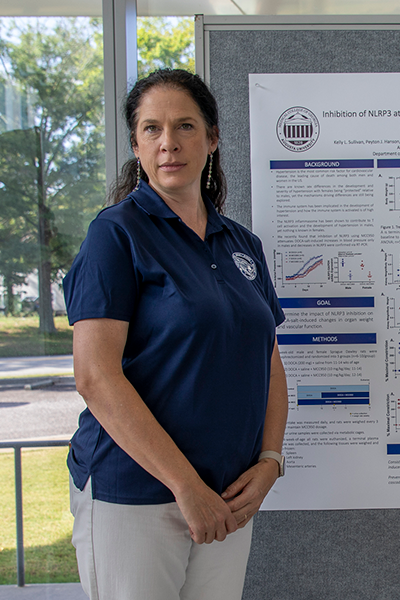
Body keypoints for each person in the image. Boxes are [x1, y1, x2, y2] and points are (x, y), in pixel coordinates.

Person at [63, 69, 288, 600]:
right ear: (137, 146)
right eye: (151, 129)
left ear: (212, 139)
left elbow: (270, 364)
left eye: (185, 126)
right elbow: (95, 377)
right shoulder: (115, 234)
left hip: (228, 495)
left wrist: (270, 462)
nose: (169, 142)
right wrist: (186, 488)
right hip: (136, 493)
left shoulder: (242, 244)